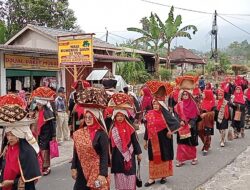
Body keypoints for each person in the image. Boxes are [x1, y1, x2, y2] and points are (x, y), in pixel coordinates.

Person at [71, 109, 109, 190]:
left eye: (90, 117)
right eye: (86, 117)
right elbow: (76, 151)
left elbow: (104, 155)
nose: (87, 119)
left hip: (96, 171)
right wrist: (73, 167)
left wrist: (102, 174)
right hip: (82, 170)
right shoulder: (80, 133)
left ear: (96, 118)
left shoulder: (101, 134)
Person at [144, 99, 176, 187]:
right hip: (152, 139)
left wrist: (170, 132)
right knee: (152, 157)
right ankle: (152, 178)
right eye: (154, 104)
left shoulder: (165, 114)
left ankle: (164, 176)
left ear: (161, 105)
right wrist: (145, 140)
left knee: (164, 156)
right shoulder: (149, 114)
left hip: (164, 139)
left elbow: (175, 123)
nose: (155, 106)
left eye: (157, 104)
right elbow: (147, 128)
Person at [110, 109, 142, 190]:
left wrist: (139, 153)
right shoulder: (112, 129)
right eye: (117, 116)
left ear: (125, 116)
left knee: (131, 176)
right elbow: (108, 144)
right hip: (117, 157)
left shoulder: (130, 127)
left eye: (121, 116)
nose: (119, 118)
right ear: (115, 117)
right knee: (120, 178)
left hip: (129, 156)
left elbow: (135, 141)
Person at [174, 90, 200, 166]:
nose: (185, 96)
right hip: (182, 127)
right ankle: (181, 160)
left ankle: (194, 158)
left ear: (189, 95)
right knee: (181, 144)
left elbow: (196, 116)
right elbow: (176, 115)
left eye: (186, 94)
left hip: (191, 127)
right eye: (183, 94)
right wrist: (180, 121)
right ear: (181, 96)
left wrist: (191, 124)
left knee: (191, 143)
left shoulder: (193, 104)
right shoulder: (179, 105)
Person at [36, 99, 56, 176]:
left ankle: (46, 166)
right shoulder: (39, 112)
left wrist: (54, 135)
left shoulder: (48, 112)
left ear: (43, 105)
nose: (38, 106)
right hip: (41, 134)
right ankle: (42, 166)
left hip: (48, 134)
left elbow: (52, 125)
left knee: (45, 151)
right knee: (41, 150)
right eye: (37, 104)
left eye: (39, 105)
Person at [197, 90, 215, 155]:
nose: (203, 94)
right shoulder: (202, 101)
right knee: (200, 132)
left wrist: (206, 114)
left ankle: (206, 148)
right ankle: (206, 144)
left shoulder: (212, 102)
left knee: (207, 134)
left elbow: (214, 113)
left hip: (208, 121)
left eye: (204, 93)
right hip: (201, 121)